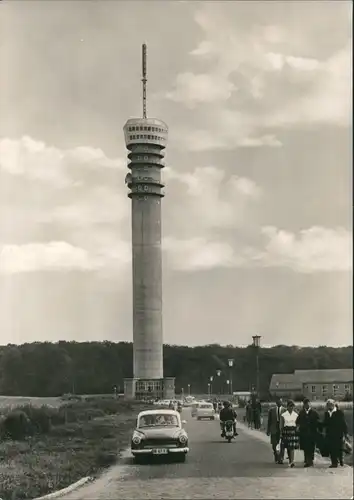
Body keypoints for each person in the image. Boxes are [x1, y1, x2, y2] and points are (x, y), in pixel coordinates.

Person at [322, 399, 348, 468]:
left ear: (333, 405)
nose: (329, 406)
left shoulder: (339, 412)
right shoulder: (326, 413)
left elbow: (343, 423)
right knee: (332, 448)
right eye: (328, 405)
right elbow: (325, 423)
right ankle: (334, 463)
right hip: (330, 434)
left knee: (339, 448)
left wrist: (345, 433)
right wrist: (318, 424)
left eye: (330, 405)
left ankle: (340, 459)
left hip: (338, 433)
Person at [296, 397, 320, 467]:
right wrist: (298, 428)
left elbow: (318, 422)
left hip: (312, 433)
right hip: (304, 433)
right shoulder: (301, 413)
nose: (307, 405)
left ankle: (310, 460)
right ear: (304, 405)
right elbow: (297, 422)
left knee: (311, 447)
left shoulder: (314, 413)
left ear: (310, 404)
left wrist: (318, 430)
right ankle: (307, 460)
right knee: (305, 447)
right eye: (305, 404)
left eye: (308, 404)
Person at [280, 400, 299, 468]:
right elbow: (281, 425)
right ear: (287, 407)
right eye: (290, 406)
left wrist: (297, 429)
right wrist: (281, 433)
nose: (291, 408)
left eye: (292, 406)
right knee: (288, 447)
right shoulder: (283, 415)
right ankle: (290, 461)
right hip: (286, 431)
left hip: (293, 431)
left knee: (292, 447)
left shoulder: (296, 415)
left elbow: (297, 424)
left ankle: (292, 461)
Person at [267, 397, 286, 464]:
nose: (279, 402)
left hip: (282, 429)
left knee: (282, 444)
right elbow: (269, 421)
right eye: (278, 401)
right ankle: (276, 455)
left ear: (282, 402)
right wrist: (268, 430)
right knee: (274, 444)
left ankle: (281, 458)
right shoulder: (271, 410)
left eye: (280, 401)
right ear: (276, 402)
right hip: (274, 429)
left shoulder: (285, 410)